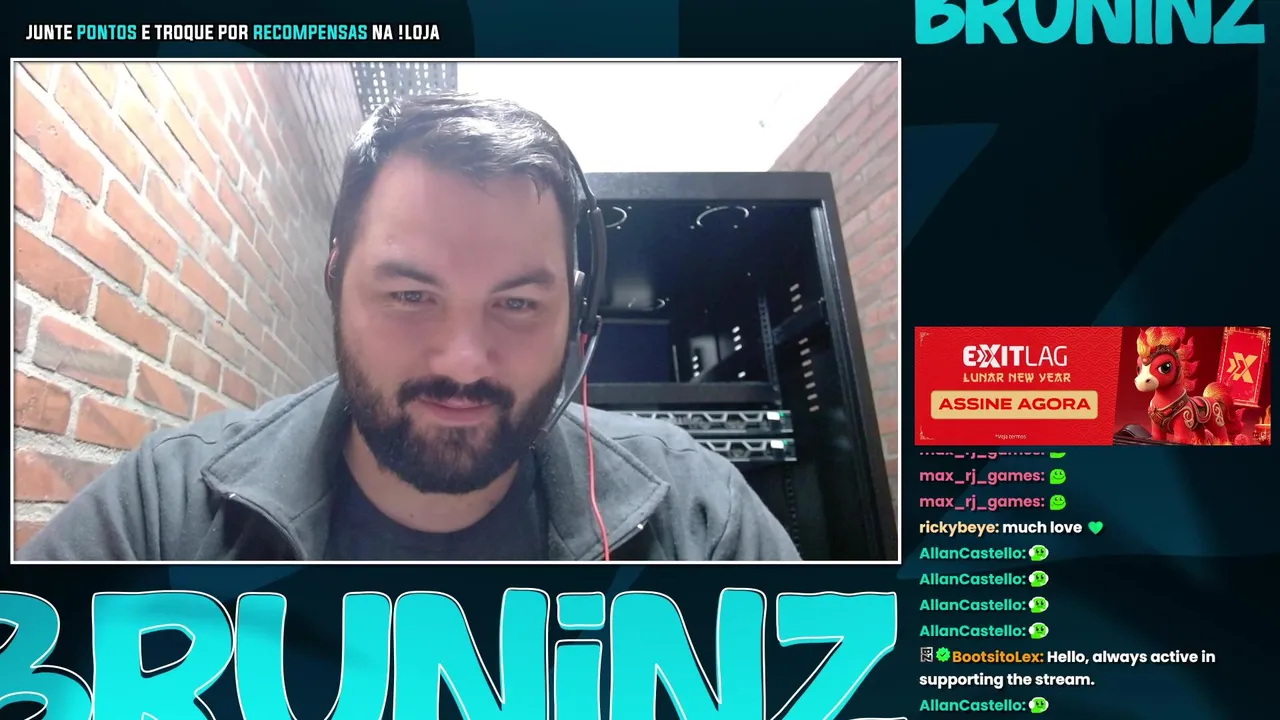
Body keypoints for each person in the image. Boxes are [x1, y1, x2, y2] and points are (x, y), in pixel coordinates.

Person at [17, 93, 801, 562]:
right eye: (411, 295)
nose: (463, 361)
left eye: (517, 304)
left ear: (578, 316)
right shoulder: (167, 511)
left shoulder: (698, 516)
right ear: (336, 278)